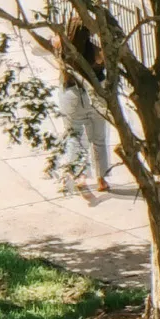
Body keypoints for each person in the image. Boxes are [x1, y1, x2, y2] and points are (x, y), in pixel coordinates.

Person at [54, 19, 117, 202]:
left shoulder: (62, 47)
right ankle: (101, 178)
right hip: (95, 94)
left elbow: (53, 40)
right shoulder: (96, 52)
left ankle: (78, 174)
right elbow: (106, 59)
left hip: (71, 94)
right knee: (99, 138)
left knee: (74, 136)